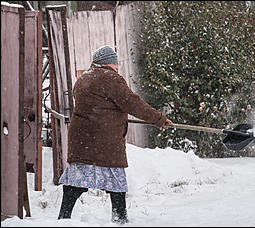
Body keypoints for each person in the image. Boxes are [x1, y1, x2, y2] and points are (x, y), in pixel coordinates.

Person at [57, 45, 172, 224]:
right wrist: (158, 119)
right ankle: (120, 219)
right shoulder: (111, 78)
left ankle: (63, 217)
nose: (117, 68)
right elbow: (132, 103)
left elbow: (98, 105)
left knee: (76, 180)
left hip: (81, 139)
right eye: (115, 64)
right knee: (116, 183)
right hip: (103, 141)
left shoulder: (83, 79)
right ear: (109, 63)